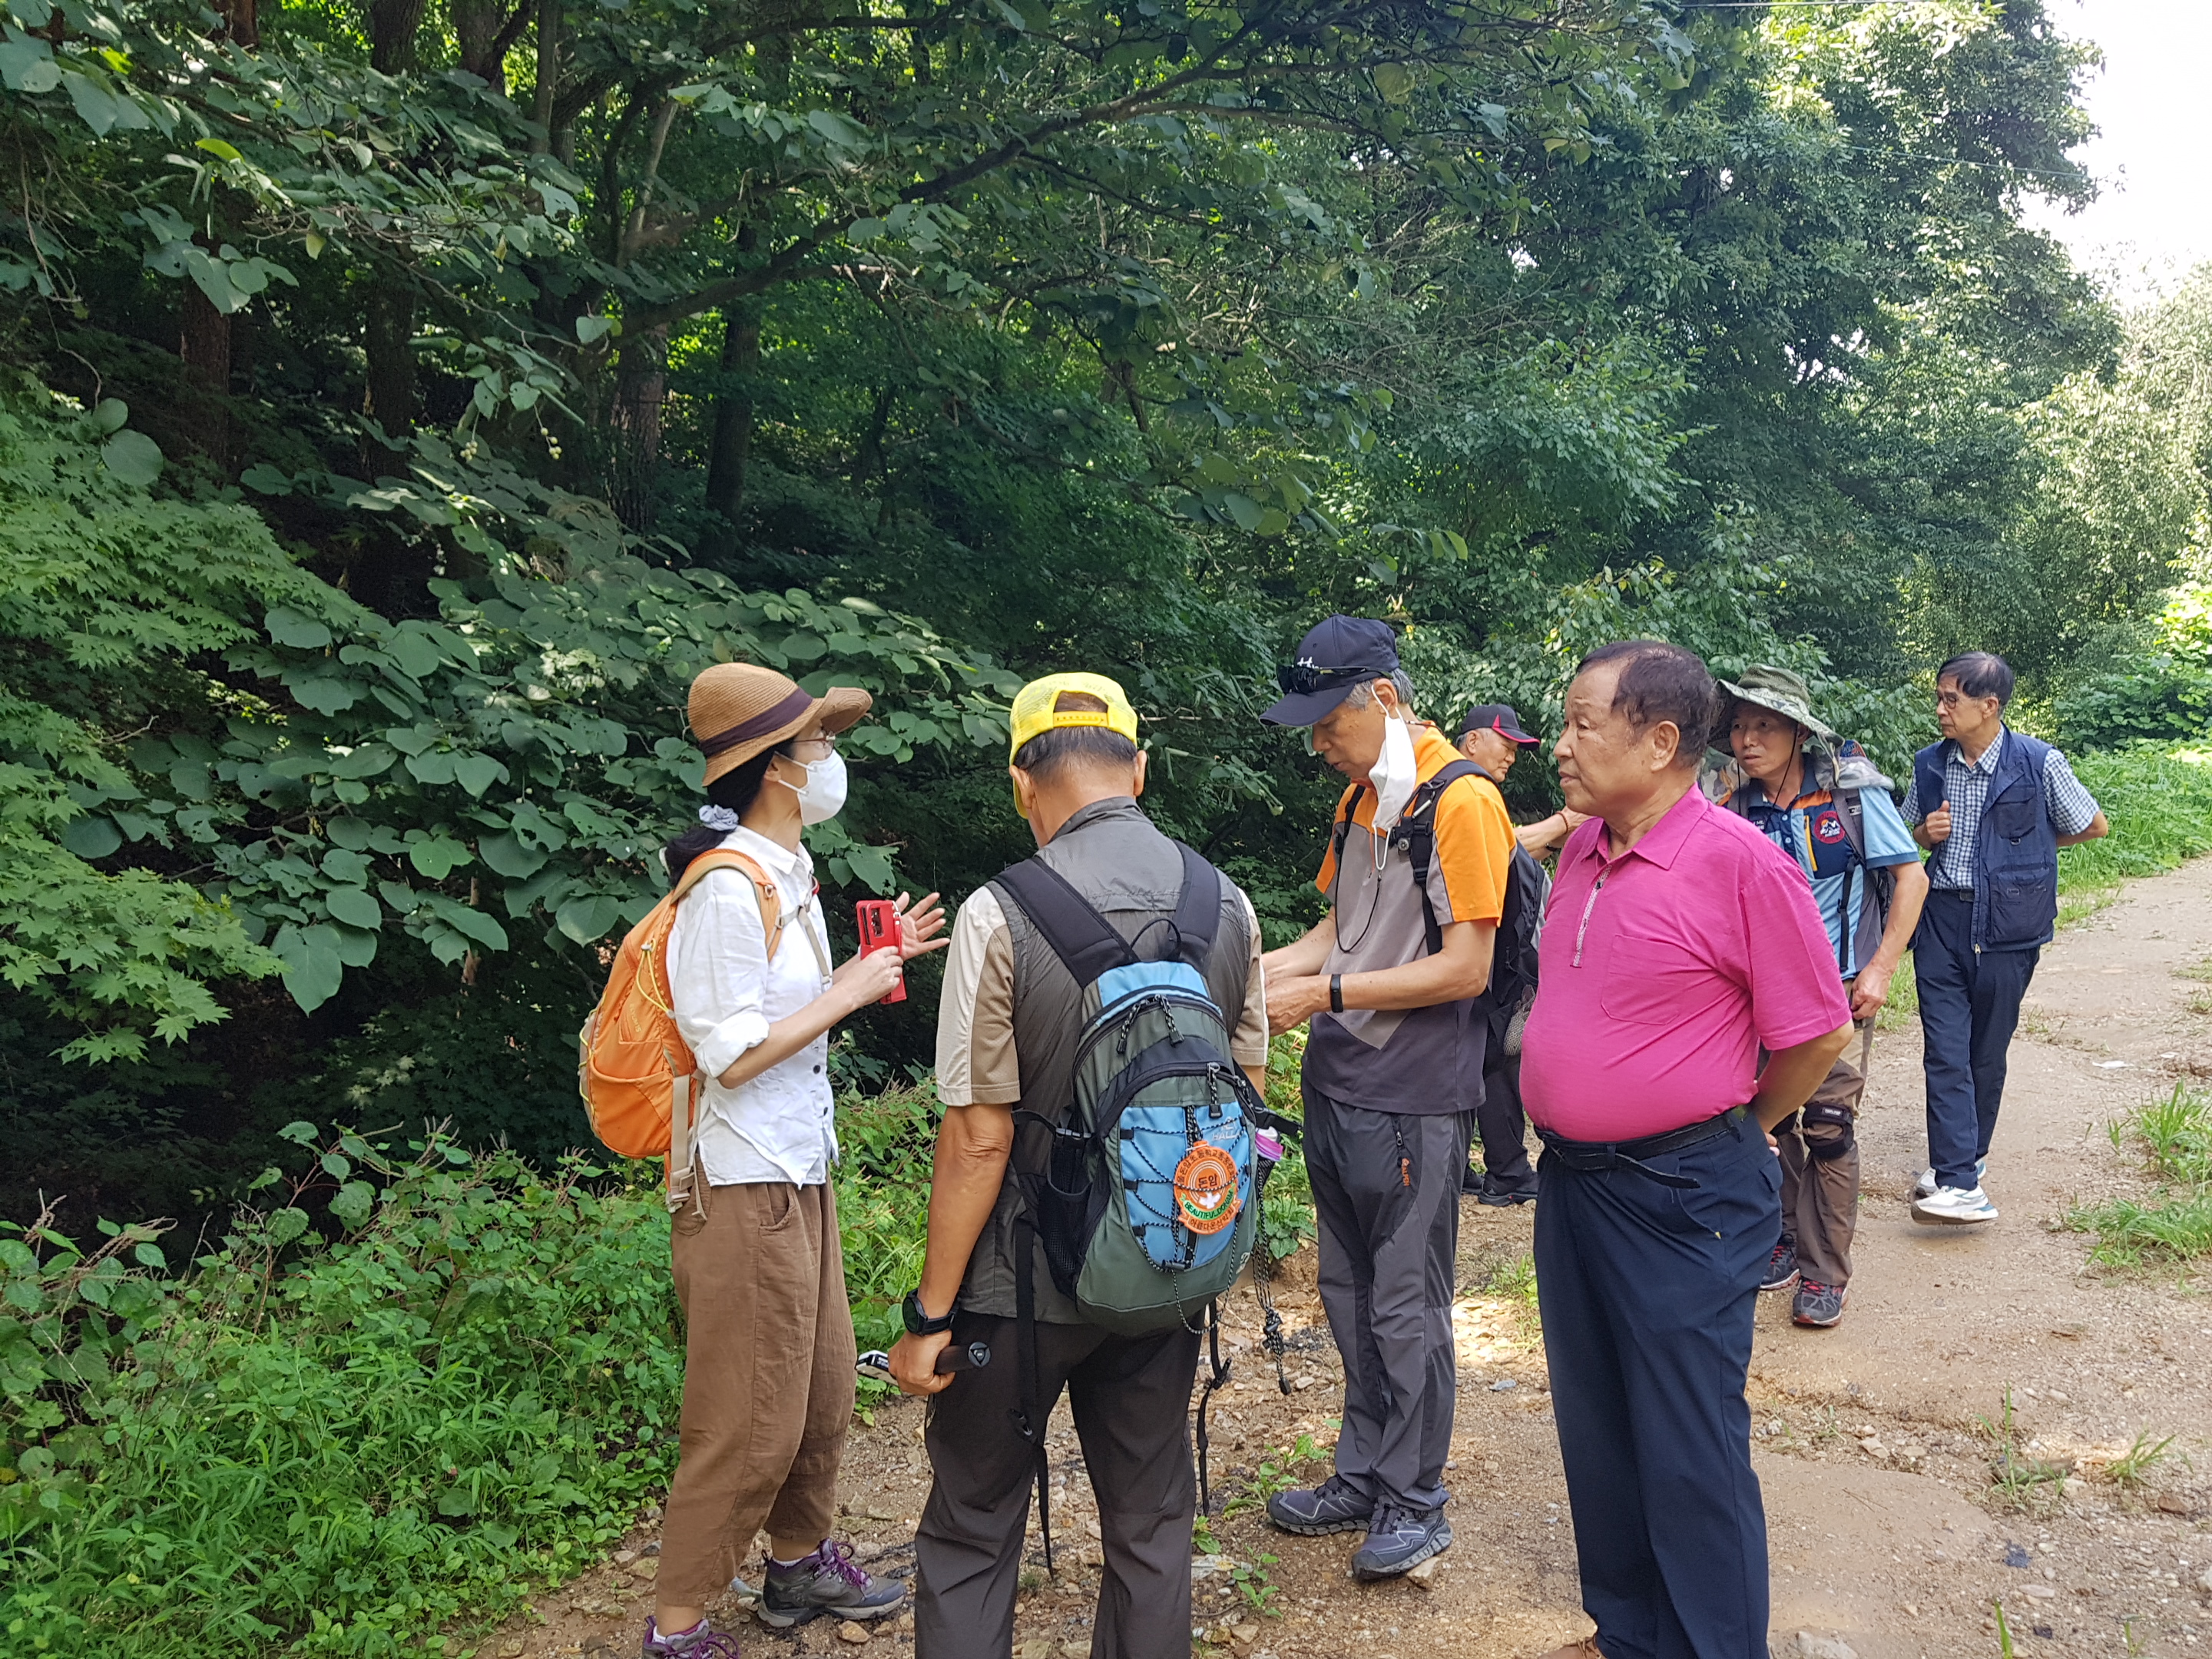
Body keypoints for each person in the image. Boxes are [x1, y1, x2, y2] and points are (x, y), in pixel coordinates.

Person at [885, 673, 1270, 1659]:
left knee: (974, 1527)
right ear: (1139, 770)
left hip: (1018, 1286)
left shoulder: (999, 912)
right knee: (1151, 1523)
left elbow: (980, 1138)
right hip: (1168, 1261)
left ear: (1022, 781)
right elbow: (1246, 1095)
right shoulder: (1226, 903)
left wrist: (930, 1317)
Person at [1519, 641, 1853, 1659]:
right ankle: (1628, 1634)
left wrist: (1741, 1127)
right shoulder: (1585, 846)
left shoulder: (1742, 865)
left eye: (1583, 724)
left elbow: (1818, 1034)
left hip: (1684, 1194)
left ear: (1661, 741)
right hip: (1575, 1185)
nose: (1563, 745)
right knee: (1599, 1427)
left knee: (1689, 1444)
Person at [645, 663, 949, 1657]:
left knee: (818, 1389)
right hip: (740, 1182)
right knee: (745, 1414)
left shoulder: (786, 873)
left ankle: (796, 1564)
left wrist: (868, 964)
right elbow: (729, 1053)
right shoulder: (726, 890)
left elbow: (781, 1015)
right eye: (819, 742)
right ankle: (677, 1623)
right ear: (777, 767)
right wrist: (851, 991)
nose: (831, 758)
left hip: (795, 1167)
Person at [1256, 617, 1515, 1580]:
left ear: (1385, 698)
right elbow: (1336, 934)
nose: (1319, 744)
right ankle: (1363, 1475)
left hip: (1414, 1097)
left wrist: (1321, 997)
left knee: (1407, 1305)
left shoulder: (1463, 800)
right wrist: (1249, 975)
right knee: (1350, 1294)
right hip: (1337, 1087)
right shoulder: (1364, 798)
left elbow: (1467, 967)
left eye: (1331, 723)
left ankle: (1416, 1498)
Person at [1714, 667, 1929, 1329]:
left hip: (1835, 988)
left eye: (1765, 725)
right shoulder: (1728, 802)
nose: (1748, 740)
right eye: (1740, 725)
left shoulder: (1851, 797)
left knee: (1829, 1127)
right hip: (1752, 994)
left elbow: (1912, 879)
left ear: (1800, 733)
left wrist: (1881, 968)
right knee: (1769, 1120)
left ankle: (1825, 1273)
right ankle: (1781, 1237)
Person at [1901, 651, 2107, 1227]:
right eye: (1940, 698)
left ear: (1989, 706)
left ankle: (1967, 1159)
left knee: (1985, 1052)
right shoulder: (1930, 764)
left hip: (2009, 926)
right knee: (1944, 1050)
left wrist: (2026, 851)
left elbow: (2092, 825)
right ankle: (1959, 1182)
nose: (1940, 710)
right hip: (1942, 919)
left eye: (1951, 699)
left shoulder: (2038, 762)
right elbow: (1905, 832)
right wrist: (1925, 833)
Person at [1451, 703, 1552, 1206]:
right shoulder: (1463, 795)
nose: (1511, 755)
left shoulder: (1461, 793)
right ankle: (1507, 1172)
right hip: (1470, 962)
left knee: (1472, 1057)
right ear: (1473, 741)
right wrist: (1564, 822)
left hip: (1480, 961)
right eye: (1505, 744)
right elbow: (1508, 849)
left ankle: (1463, 1167)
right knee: (1494, 1058)